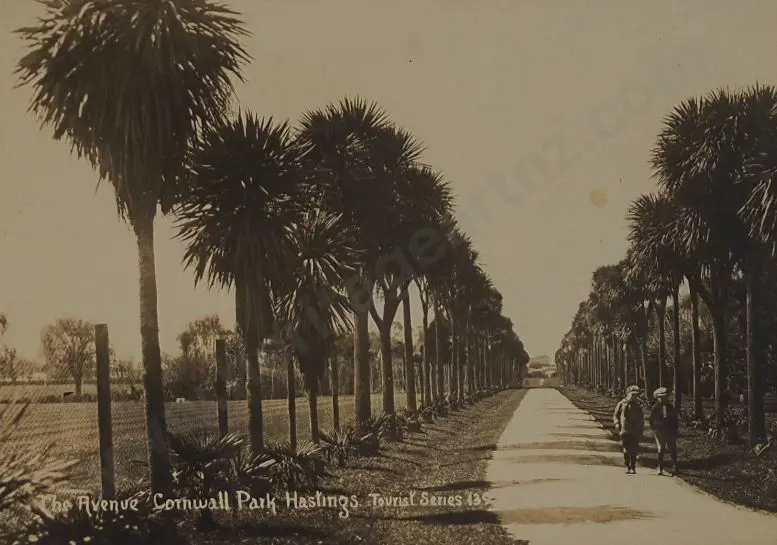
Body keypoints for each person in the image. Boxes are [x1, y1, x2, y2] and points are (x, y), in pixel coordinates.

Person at [613, 385, 644, 474]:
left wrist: (641, 428)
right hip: (624, 429)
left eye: (635, 395)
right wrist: (617, 423)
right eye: (632, 395)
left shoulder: (637, 406)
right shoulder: (621, 404)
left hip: (635, 430)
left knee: (634, 449)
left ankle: (633, 467)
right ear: (627, 394)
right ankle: (627, 465)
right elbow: (615, 415)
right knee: (626, 449)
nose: (634, 397)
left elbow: (641, 418)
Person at [649, 387, 679, 476]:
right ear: (657, 398)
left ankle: (675, 466)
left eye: (665, 397)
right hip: (659, 431)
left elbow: (675, 419)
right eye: (661, 397)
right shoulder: (655, 408)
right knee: (661, 449)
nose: (663, 399)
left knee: (672, 449)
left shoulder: (671, 407)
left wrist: (675, 429)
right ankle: (660, 467)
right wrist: (654, 428)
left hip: (670, 431)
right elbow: (651, 419)